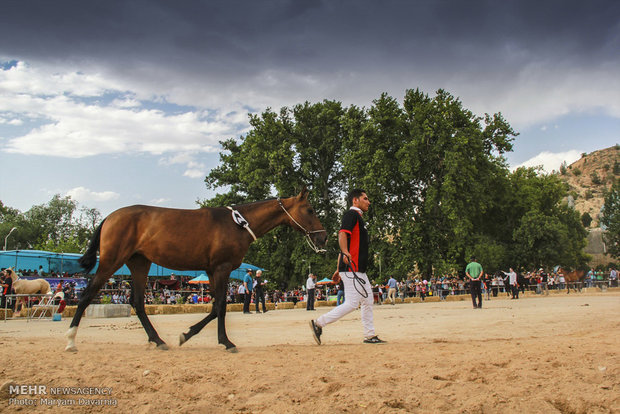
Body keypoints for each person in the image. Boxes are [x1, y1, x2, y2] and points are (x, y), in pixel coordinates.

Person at [310, 189, 385, 344]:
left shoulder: (358, 218)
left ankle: (370, 335)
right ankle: (318, 323)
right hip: (353, 268)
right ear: (355, 201)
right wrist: (344, 253)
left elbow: (346, 243)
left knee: (367, 300)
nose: (368, 202)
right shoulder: (352, 215)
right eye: (365, 198)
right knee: (352, 303)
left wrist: (338, 268)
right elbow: (342, 234)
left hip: (356, 269)